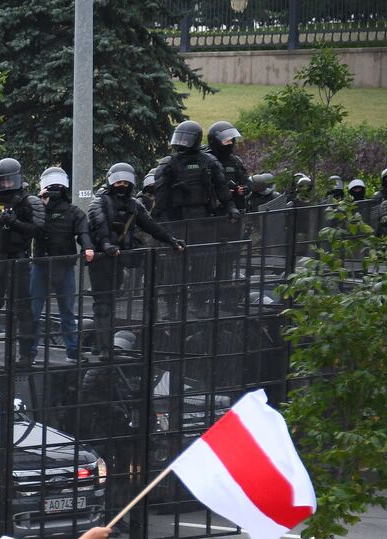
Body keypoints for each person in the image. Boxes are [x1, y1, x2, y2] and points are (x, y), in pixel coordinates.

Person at [86, 163, 184, 358]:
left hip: (119, 258)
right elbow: (99, 226)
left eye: (125, 182)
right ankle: (104, 349)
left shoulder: (133, 205)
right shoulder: (99, 203)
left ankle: (100, 344)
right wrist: (106, 245)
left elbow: (150, 225)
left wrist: (171, 241)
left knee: (111, 302)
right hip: (101, 260)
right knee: (103, 303)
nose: (121, 185)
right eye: (118, 182)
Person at [0, 157, 45, 366]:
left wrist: (15, 223)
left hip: (18, 261)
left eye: (8, 181)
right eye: (2, 181)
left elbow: (38, 230)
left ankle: (26, 355)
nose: (5, 184)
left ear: (17, 179)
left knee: (23, 309)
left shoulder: (29, 202)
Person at [29, 167, 92, 362]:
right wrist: (39, 205)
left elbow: (83, 232)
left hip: (64, 266)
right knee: (34, 311)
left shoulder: (73, 212)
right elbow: (28, 227)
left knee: (67, 312)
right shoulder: (37, 209)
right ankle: (29, 352)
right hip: (41, 266)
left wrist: (88, 247)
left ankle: (72, 351)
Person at [151, 120, 234, 223]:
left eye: (185, 140)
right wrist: (162, 216)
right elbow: (161, 193)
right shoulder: (169, 163)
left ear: (196, 140)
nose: (182, 143)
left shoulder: (209, 161)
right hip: (177, 216)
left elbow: (221, 186)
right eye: (180, 139)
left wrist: (230, 206)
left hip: (205, 213)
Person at [206, 121, 250, 215]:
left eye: (231, 140)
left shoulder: (235, 161)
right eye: (226, 141)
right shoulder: (207, 161)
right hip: (214, 211)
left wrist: (244, 188)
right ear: (215, 141)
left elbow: (246, 180)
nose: (230, 143)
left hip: (236, 209)